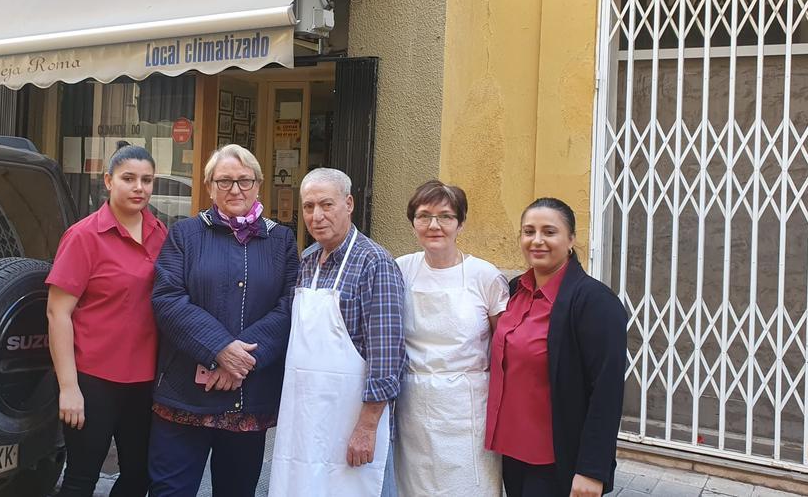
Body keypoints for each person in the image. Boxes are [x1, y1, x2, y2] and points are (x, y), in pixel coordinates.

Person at [148, 144, 299, 497]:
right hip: (184, 396)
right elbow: (167, 299)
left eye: (245, 181)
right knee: (170, 491)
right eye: (225, 181)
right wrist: (219, 349)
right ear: (209, 186)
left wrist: (241, 361)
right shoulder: (184, 234)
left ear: (259, 185)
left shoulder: (281, 239)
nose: (235, 190)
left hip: (248, 398)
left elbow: (290, 305)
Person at [268, 167, 406, 497]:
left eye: (326, 205)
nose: (316, 216)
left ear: (349, 204)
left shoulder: (375, 263)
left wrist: (367, 427)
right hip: (304, 416)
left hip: (351, 419)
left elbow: (386, 356)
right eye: (308, 206)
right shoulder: (308, 259)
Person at [46, 145, 168, 497]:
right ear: (108, 181)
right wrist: (69, 387)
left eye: (146, 180)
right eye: (128, 179)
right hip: (93, 379)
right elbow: (58, 313)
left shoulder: (162, 234)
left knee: (139, 476)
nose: (138, 188)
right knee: (82, 478)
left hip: (146, 380)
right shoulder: (84, 236)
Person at [486, 197, 626, 497]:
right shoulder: (513, 292)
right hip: (511, 452)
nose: (537, 240)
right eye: (528, 231)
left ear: (571, 239)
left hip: (556, 459)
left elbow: (607, 392)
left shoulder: (595, 301)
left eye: (549, 232)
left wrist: (592, 470)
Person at [394, 180, 508, 497]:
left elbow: (505, 348)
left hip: (468, 408)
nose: (434, 225)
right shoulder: (399, 269)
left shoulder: (485, 276)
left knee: (470, 486)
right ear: (413, 221)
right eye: (424, 215)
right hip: (414, 404)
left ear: (461, 223)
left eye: (445, 216)